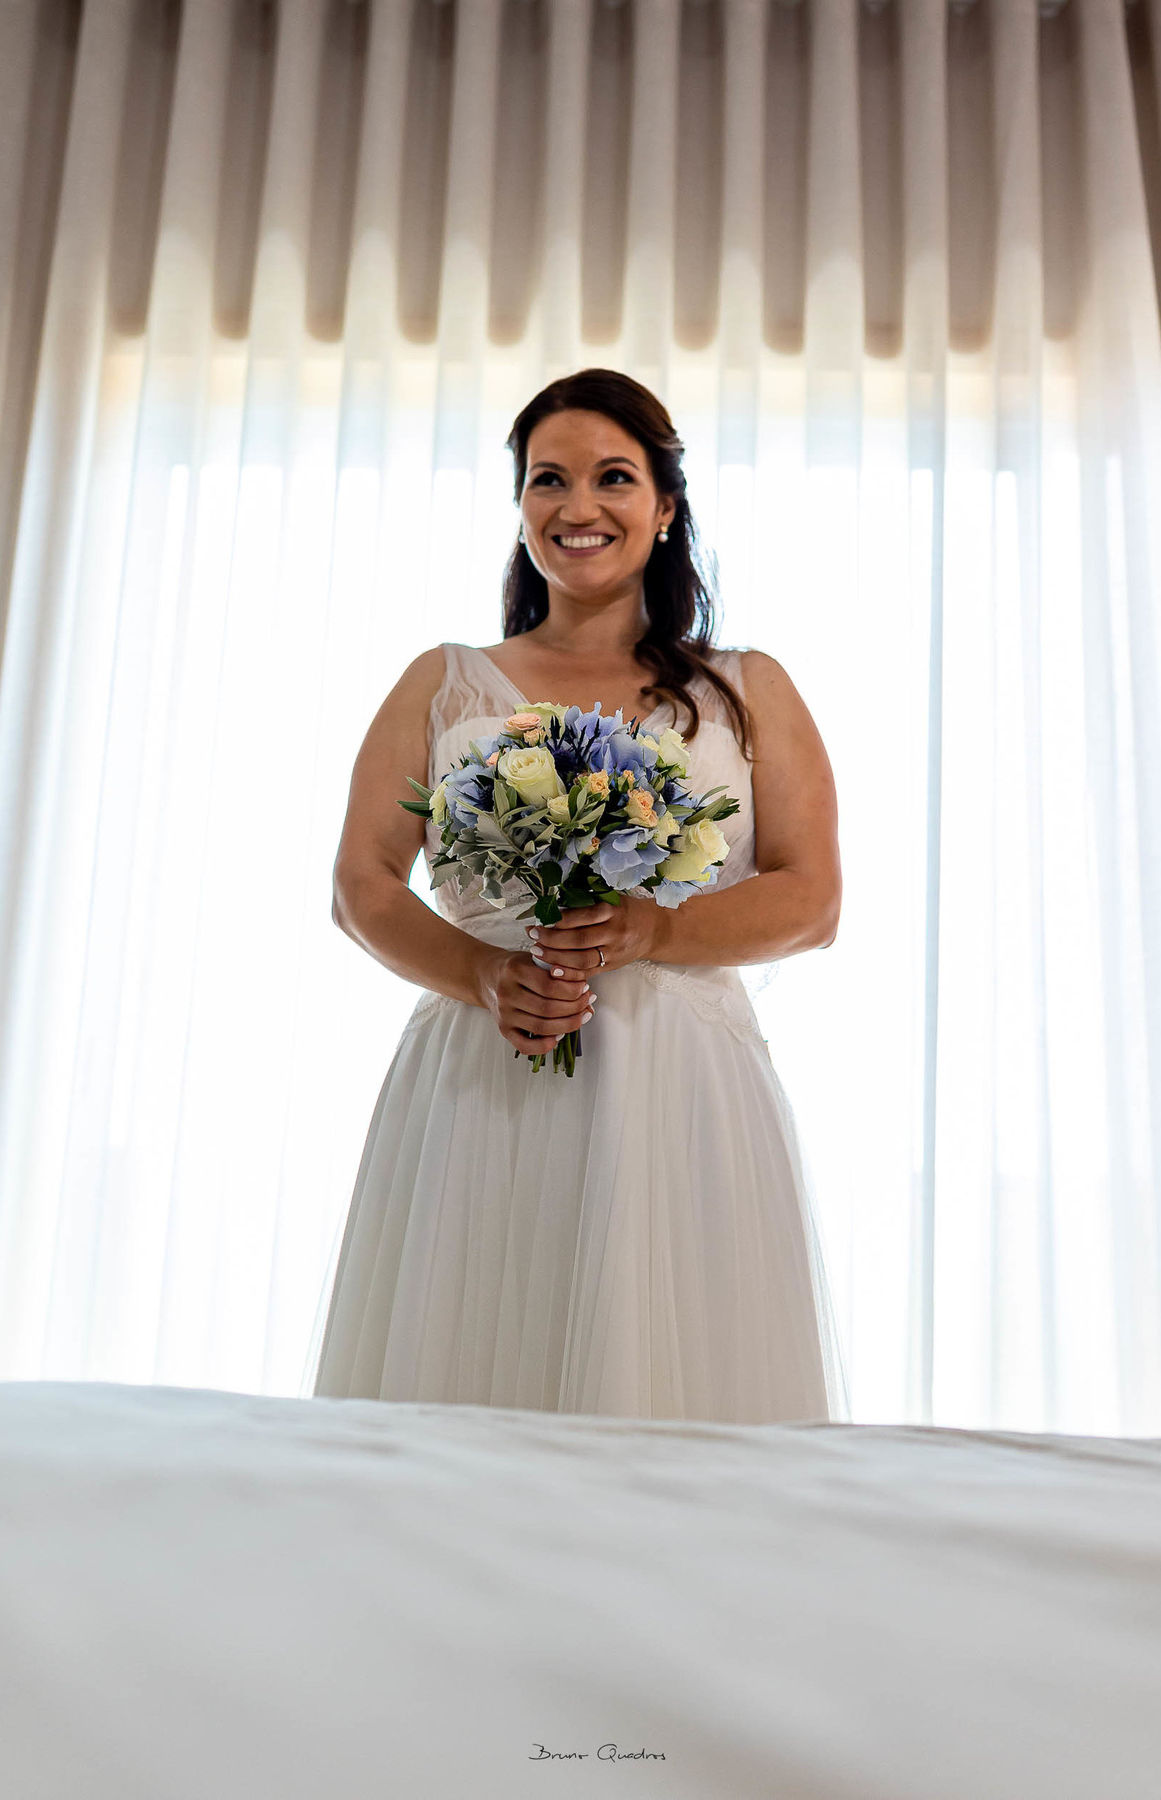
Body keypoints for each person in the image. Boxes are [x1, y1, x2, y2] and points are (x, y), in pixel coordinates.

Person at [309, 367, 850, 1425]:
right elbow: (361, 883)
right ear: (520, 506)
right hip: (485, 1072)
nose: (577, 505)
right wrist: (484, 973)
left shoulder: (747, 689)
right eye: (548, 479)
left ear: (666, 505)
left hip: (680, 1080)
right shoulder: (443, 682)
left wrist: (652, 927)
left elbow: (813, 899)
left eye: (613, 476)